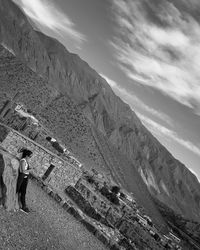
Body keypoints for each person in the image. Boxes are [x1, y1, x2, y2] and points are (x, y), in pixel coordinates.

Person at [16, 148, 33, 213]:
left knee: (23, 192)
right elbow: (22, 171)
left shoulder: (26, 161)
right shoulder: (23, 161)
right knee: (17, 189)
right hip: (22, 177)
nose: (30, 157)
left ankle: (23, 206)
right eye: (30, 156)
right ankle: (23, 206)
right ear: (26, 155)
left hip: (25, 178)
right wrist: (30, 170)